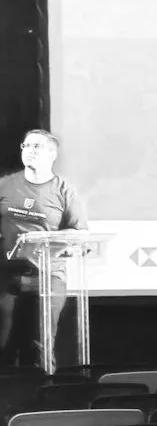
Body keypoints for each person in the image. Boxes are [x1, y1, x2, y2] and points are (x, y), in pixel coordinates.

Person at [0, 130, 87, 367]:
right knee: (4, 339)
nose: (29, 150)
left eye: (37, 146)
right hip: (7, 274)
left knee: (40, 343)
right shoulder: (5, 185)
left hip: (48, 275)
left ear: (52, 154)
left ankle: (43, 391)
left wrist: (44, 238)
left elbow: (79, 234)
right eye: (26, 145)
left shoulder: (64, 190)